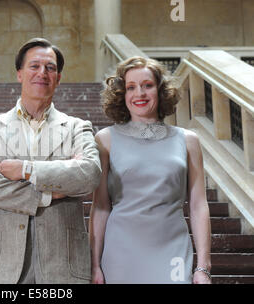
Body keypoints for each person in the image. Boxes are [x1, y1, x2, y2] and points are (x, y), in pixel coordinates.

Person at [0, 38, 101, 284]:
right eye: (34, 66)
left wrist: (26, 170)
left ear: (58, 78)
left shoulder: (76, 127)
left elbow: (89, 175)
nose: (42, 73)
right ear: (19, 74)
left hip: (63, 264)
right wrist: (48, 194)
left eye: (50, 68)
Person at [89, 56, 212, 284]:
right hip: (121, 253)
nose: (140, 94)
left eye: (147, 85)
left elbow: (198, 206)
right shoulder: (105, 140)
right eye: (131, 87)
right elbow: (101, 207)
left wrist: (203, 267)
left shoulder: (188, 141)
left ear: (160, 90)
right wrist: (94, 265)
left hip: (172, 250)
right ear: (122, 94)